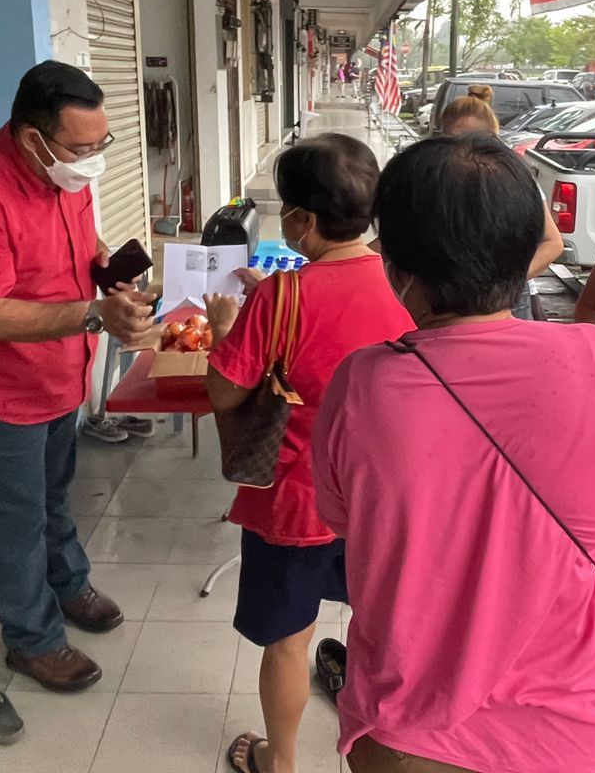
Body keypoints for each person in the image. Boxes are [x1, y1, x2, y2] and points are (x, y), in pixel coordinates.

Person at [312, 133, 595, 773]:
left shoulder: (363, 384)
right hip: (578, 728)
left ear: (397, 265)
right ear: (527, 248)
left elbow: (342, 521)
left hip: (414, 734)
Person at [0, 61, 155, 693]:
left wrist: (110, 273)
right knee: (12, 518)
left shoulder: (63, 175)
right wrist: (95, 314)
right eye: (81, 147)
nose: (92, 159)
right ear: (31, 138)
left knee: (52, 497)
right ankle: (32, 639)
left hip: (54, 377)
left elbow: (83, 247)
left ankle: (67, 584)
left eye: (101, 143)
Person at [204, 133, 413, 773]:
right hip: (383, 498)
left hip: (296, 500)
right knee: (379, 634)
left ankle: (281, 761)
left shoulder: (281, 296)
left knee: (289, 645)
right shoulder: (408, 284)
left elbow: (224, 391)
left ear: (304, 220)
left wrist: (223, 326)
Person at [438, 85, 564, 319]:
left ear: (493, 139)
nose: (469, 150)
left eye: (477, 140)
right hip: (446, 301)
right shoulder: (433, 182)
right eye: (457, 142)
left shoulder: (514, 177)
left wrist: (504, 285)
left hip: (510, 302)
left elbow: (552, 243)